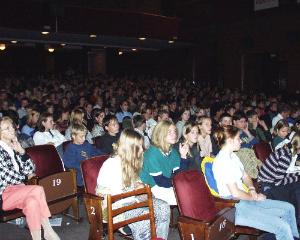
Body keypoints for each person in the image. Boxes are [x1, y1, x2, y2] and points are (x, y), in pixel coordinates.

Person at [212, 125, 299, 240]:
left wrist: (252, 190)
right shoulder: (222, 162)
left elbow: (245, 175)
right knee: (282, 227)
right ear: (230, 141)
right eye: (238, 138)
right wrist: (254, 197)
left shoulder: (233, 156)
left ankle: (293, 237)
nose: (241, 141)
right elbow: (235, 193)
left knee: (289, 209)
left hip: (246, 199)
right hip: (234, 207)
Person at [96, 129, 170, 240]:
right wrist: (139, 193)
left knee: (163, 207)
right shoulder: (112, 164)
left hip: (130, 200)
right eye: (139, 146)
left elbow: (136, 184)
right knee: (144, 218)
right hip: (114, 208)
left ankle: (159, 238)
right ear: (130, 148)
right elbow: (119, 197)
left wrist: (141, 189)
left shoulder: (130, 162)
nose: (142, 149)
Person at [0, 117, 60, 240]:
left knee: (32, 203)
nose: (12, 130)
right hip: (4, 194)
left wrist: (22, 151)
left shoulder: (14, 146)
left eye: (12, 127)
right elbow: (7, 177)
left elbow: (31, 168)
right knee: (37, 190)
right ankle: (48, 231)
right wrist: (25, 176)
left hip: (20, 190)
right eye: (7, 128)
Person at [140, 120, 189, 205]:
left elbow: (179, 174)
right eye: (169, 132)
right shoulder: (152, 153)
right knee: (184, 197)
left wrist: (183, 156)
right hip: (150, 186)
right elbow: (160, 181)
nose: (174, 134)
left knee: (190, 191)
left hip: (165, 183)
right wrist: (178, 185)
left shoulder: (172, 151)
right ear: (160, 134)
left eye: (175, 131)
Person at [258, 132, 300, 224]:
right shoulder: (286, 157)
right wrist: (296, 177)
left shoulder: (287, 150)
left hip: (273, 179)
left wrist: (296, 176)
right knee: (296, 189)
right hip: (268, 185)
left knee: (297, 185)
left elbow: (281, 175)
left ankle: (296, 219)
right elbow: (278, 182)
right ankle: (296, 220)